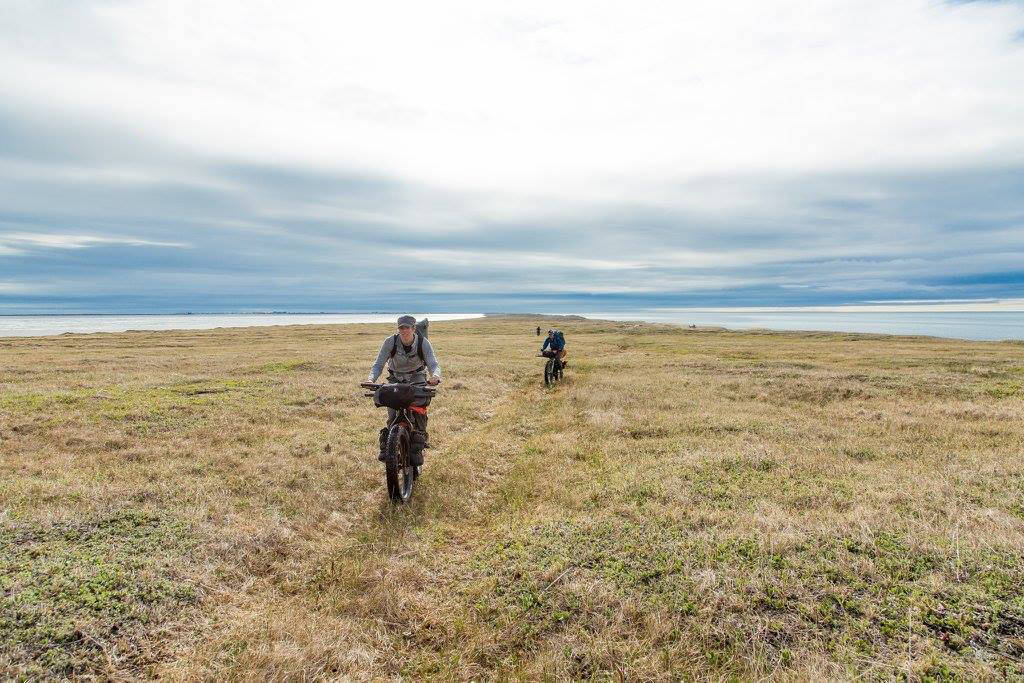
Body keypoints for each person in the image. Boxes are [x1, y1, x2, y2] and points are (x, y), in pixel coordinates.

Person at [367, 315, 441, 465]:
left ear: (414, 329)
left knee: (419, 409)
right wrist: (370, 379)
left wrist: (436, 376)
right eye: (401, 327)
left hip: (417, 378)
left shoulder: (423, 343)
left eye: (407, 327)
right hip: (395, 379)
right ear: (398, 329)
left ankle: (419, 439)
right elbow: (378, 364)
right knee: (392, 414)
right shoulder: (390, 342)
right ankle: (388, 444)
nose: (404, 330)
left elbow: (433, 364)